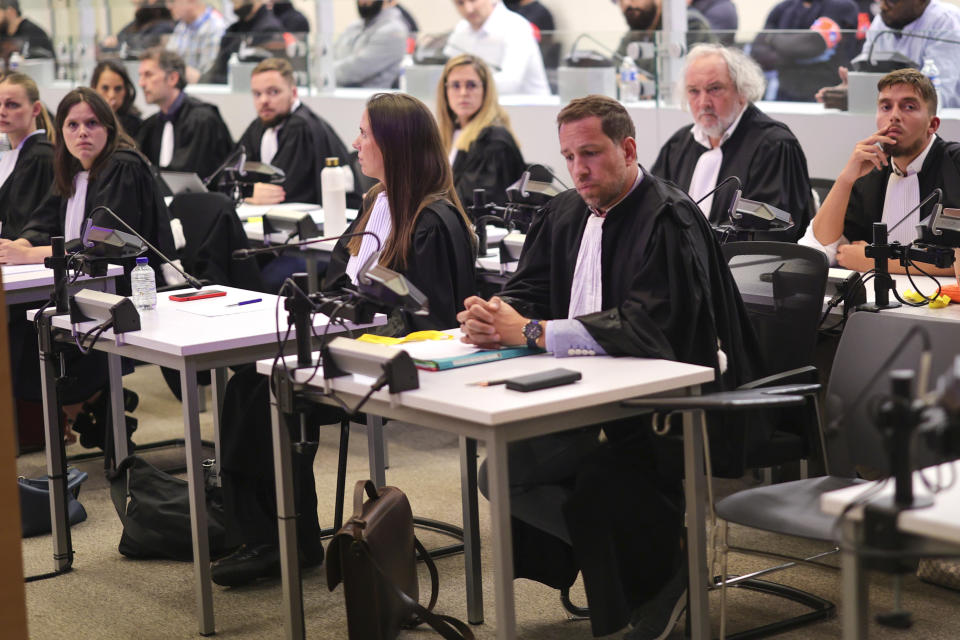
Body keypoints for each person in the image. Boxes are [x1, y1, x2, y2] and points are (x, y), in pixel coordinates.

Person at [457, 94, 760, 640]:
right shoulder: (567, 210)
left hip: (664, 408)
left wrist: (531, 331)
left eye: (591, 154)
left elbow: (651, 328)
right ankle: (640, 570)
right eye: (569, 156)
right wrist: (493, 314)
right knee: (504, 471)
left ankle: (660, 579)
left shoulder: (666, 217)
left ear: (627, 148)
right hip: (579, 393)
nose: (579, 169)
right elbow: (526, 290)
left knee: (599, 484)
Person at [211, 91, 477, 587]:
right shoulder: (379, 201)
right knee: (250, 381)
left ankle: (279, 538)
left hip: (400, 366)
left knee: (265, 388)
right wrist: (327, 310)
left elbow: (431, 321)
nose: (354, 144)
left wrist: (354, 324)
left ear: (394, 146)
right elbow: (343, 282)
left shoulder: (434, 220)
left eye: (364, 134)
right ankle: (275, 533)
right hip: (357, 348)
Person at [0, 87, 177, 285]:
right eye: (72, 125)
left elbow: (104, 240)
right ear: (62, 132)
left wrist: (27, 254)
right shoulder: (72, 170)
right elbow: (43, 222)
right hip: (80, 278)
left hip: (129, 284)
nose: (82, 132)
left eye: (92, 123)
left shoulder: (123, 166)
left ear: (108, 128)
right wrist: (16, 247)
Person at [801, 68, 960, 274]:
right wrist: (845, 180)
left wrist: (880, 261)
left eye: (909, 107)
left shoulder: (955, 163)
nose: (894, 116)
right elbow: (818, 249)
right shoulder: (870, 171)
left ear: (932, 124)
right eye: (886, 107)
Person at [652, 44, 814, 239]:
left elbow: (771, 238)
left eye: (714, 89)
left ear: (742, 91)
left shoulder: (774, 146)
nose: (703, 102)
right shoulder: (678, 145)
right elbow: (652, 212)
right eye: (694, 91)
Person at [235, 57, 353, 206]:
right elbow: (231, 173)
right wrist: (248, 191)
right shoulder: (260, 124)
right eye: (257, 94)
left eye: (273, 92)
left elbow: (280, 193)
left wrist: (245, 192)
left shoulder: (299, 127)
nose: (263, 100)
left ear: (294, 92)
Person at [818, 0, 960, 108]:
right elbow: (869, 72)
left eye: (892, 1)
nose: (884, 6)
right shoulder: (883, 20)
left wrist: (862, 98)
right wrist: (855, 87)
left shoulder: (946, 22)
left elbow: (939, 96)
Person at [436, 54, 525, 208]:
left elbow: (475, 204)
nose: (463, 93)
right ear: (445, 91)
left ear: (485, 90)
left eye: (471, 85)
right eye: (456, 85)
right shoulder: (449, 135)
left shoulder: (494, 140)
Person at [135, 48, 234, 181]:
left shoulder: (202, 119)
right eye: (140, 76)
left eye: (148, 75)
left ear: (172, 78)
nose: (141, 83)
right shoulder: (150, 125)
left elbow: (188, 175)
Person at [751, 0, 860, 102]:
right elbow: (758, 52)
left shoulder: (841, 6)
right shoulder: (783, 7)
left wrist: (771, 38)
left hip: (826, 96)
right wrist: (796, 54)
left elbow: (813, 44)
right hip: (785, 94)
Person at [444, 0, 550, 95]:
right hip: (481, 107)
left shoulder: (517, 26)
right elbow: (450, 72)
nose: (469, 9)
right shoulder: (461, 29)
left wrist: (469, 84)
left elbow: (510, 82)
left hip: (529, 110)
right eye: (460, 3)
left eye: (473, 0)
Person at [0, 71, 54, 240]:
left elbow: (23, 224)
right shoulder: (15, 155)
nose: (2, 111)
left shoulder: (39, 157)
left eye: (12, 105)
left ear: (36, 108)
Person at [616, 0, 714, 76]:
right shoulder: (638, 29)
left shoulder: (686, 25)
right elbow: (615, 65)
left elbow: (667, 76)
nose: (626, 3)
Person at [201, 0, 285, 84]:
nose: (234, 5)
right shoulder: (234, 30)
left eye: (236, 2)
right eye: (233, 3)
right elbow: (218, 69)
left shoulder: (269, 30)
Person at [333, 0, 409, 88]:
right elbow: (330, 56)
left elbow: (357, 70)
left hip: (372, 99)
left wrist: (322, 72)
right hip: (339, 94)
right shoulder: (354, 26)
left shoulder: (393, 30)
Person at [165, 0, 227, 84]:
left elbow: (207, 78)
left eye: (172, 1)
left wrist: (176, 68)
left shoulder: (215, 26)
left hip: (203, 90)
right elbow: (166, 59)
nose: (168, 6)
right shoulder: (182, 26)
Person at [91, 59, 143, 138]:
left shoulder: (139, 127)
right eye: (105, 88)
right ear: (94, 89)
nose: (111, 95)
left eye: (118, 89)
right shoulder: (86, 123)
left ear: (126, 90)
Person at [102, 0, 175, 55]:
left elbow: (141, 47)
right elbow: (115, 39)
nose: (136, 8)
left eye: (138, 5)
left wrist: (118, 44)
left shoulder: (164, 24)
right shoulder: (137, 22)